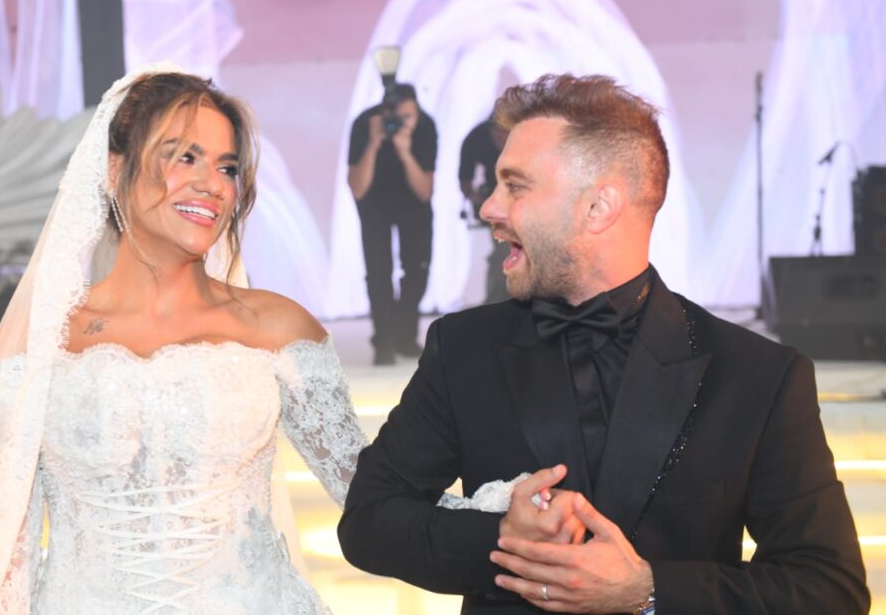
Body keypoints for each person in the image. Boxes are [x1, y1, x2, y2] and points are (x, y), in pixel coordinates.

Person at [338, 73, 870, 614]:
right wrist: (505, 540)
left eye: (515, 186)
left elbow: (830, 588)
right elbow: (368, 519)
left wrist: (650, 591)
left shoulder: (757, 374)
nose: (489, 208)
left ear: (598, 208)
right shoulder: (463, 349)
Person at [0, 67, 367, 613]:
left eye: (227, 167)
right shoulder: (41, 344)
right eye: (184, 157)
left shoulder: (278, 328)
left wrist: (482, 520)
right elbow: (3, 559)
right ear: (114, 169)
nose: (212, 184)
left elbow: (375, 498)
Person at [347, 83, 437, 366]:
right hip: (374, 203)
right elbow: (357, 187)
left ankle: (405, 335)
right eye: (399, 117)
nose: (404, 123)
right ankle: (383, 339)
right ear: (385, 113)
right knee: (378, 271)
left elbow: (425, 191)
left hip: (413, 204)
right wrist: (373, 144)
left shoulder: (425, 126)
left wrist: (405, 152)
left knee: (417, 269)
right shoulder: (366, 123)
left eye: (410, 116)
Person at [458, 117, 509, 304]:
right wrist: (476, 198)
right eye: (499, 133)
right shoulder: (477, 137)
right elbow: (465, 178)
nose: (502, 137)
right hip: (497, 201)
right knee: (503, 251)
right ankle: (498, 300)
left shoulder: (531, 135)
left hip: (531, 201)